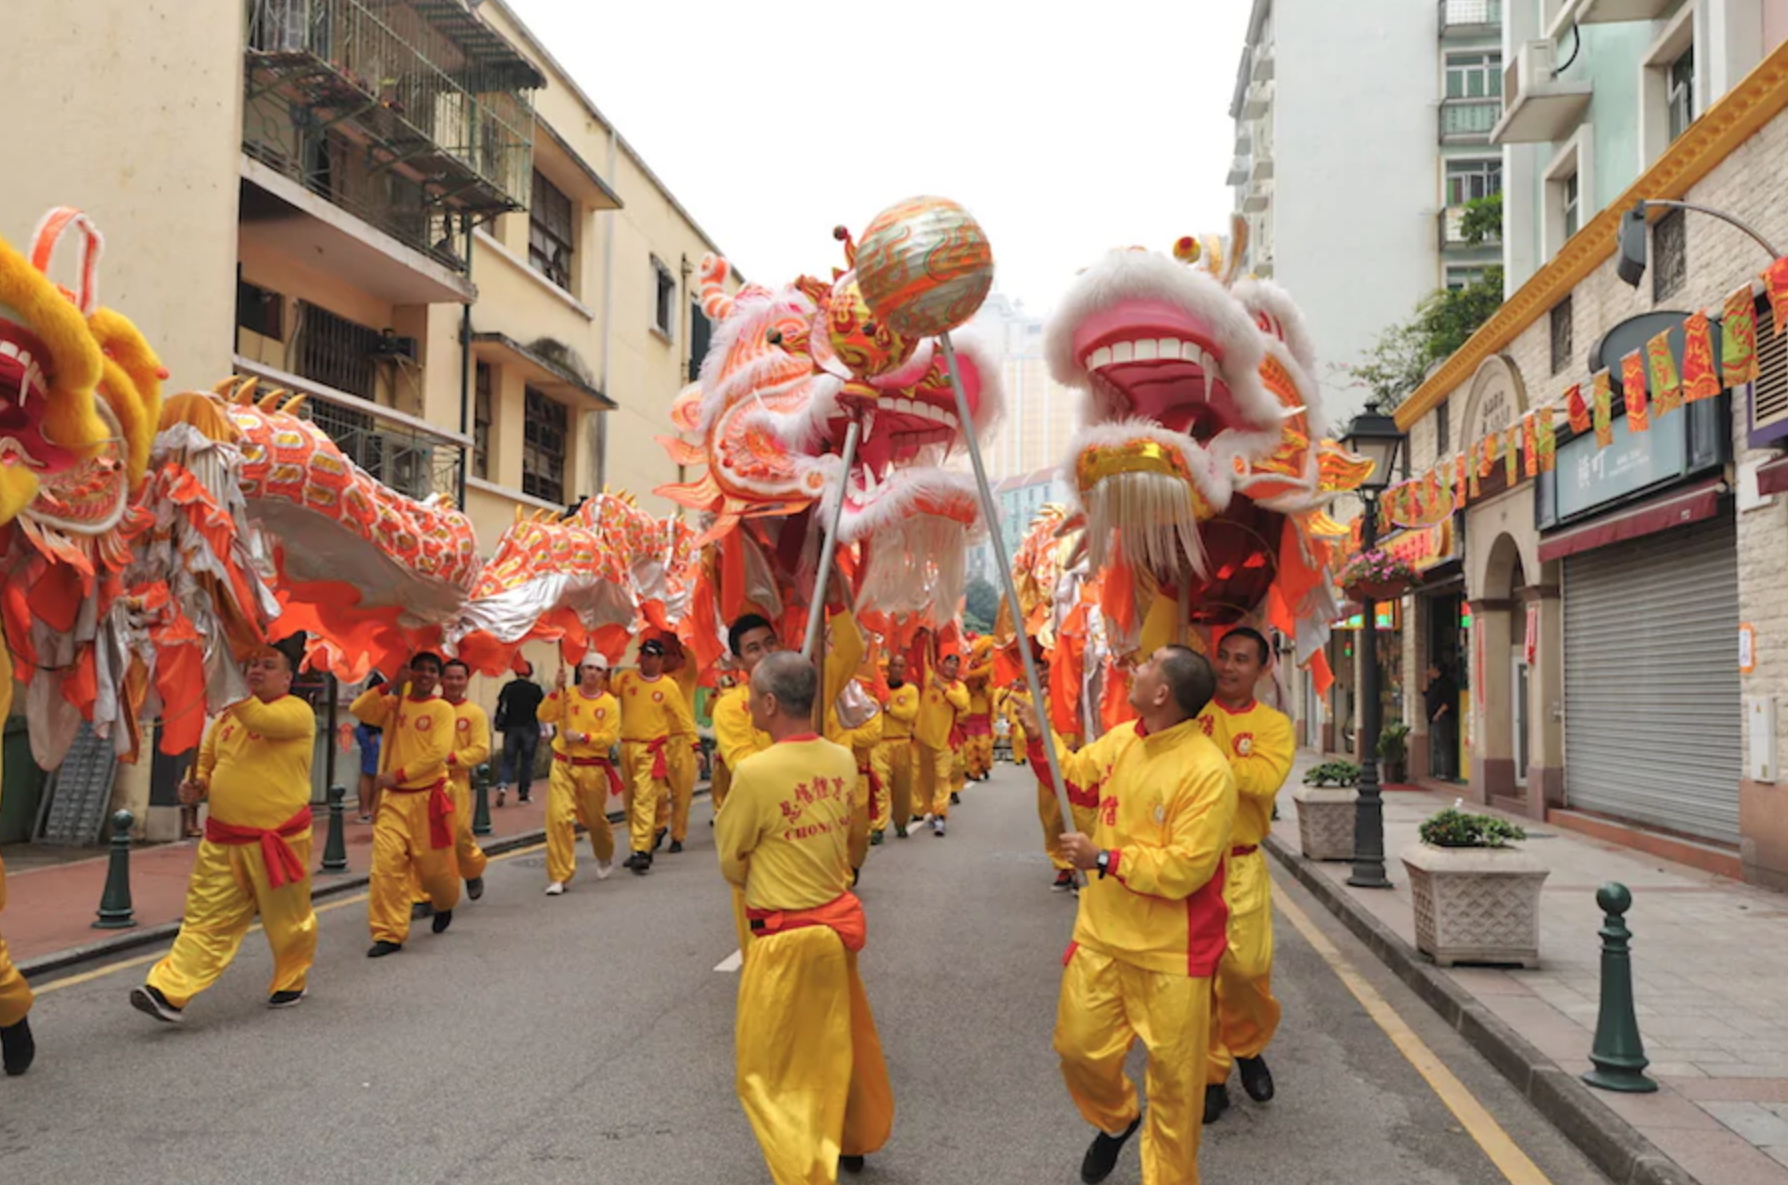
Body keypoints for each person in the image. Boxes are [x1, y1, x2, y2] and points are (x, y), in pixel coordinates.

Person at [1013, 646, 1236, 1185]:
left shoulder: (1208, 771)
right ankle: (1117, 1118)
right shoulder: (1121, 741)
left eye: (1146, 665)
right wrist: (1040, 735)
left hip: (1173, 953)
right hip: (1103, 935)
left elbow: (1186, 869)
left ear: (1162, 693)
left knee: (1176, 1094)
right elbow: (1073, 784)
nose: (1132, 670)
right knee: (1078, 1050)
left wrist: (1105, 858)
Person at [718, 652, 894, 1182]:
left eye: (751, 694)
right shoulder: (841, 760)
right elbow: (849, 835)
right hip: (834, 933)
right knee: (837, 1043)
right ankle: (849, 1135)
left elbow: (731, 859)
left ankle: (805, 1171)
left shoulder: (752, 773)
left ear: (770, 704)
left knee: (768, 1073)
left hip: (784, 941)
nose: (745, 702)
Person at [129, 644, 319, 1023]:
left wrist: (223, 679)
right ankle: (168, 990)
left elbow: (262, 721)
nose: (257, 670)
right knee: (205, 919)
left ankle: (291, 978)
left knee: (287, 921)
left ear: (287, 678)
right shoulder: (229, 717)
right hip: (223, 842)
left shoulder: (296, 712)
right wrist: (194, 785)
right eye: (252, 664)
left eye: (269, 665)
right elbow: (206, 762)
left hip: (277, 843)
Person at [1197, 627, 1295, 1125]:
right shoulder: (1191, 712)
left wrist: (1206, 755)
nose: (1229, 667)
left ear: (1262, 670)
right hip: (1192, 867)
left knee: (1245, 968)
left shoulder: (1274, 726)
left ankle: (1248, 1046)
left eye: (1242, 660)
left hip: (1241, 863)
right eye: (1223, 656)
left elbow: (1261, 782)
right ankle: (1212, 1077)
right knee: (1203, 977)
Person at [351, 653, 459, 957]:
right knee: (386, 866)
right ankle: (388, 933)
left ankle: (444, 901)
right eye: (419, 669)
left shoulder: (442, 710)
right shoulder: (393, 705)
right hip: (393, 802)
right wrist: (390, 685)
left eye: (431, 670)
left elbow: (437, 752)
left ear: (438, 677)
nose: (424, 674)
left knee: (434, 871)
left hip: (429, 800)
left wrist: (398, 775)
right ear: (410, 672)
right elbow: (360, 709)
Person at [537, 654, 621, 895]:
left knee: (595, 820)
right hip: (563, 764)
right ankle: (559, 876)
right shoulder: (567, 695)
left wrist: (583, 737)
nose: (592, 673)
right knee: (558, 818)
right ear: (581, 671)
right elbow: (543, 715)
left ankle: (604, 855)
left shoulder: (608, 703)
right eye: (588, 668)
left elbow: (609, 737)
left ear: (603, 674)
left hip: (592, 767)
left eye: (597, 669)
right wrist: (556, 689)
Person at [613, 638, 697, 872]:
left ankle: (651, 846)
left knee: (654, 796)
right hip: (628, 747)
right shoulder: (627, 678)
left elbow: (683, 715)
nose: (645, 660)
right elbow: (605, 690)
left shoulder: (673, 683)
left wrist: (695, 744)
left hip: (656, 748)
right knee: (633, 800)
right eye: (643, 655)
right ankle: (645, 839)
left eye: (651, 655)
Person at [441, 659, 491, 901]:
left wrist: (451, 759)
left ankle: (472, 870)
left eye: (459, 678)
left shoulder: (474, 713)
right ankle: (427, 896)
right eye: (449, 677)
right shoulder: (431, 708)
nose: (454, 683)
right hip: (426, 783)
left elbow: (480, 749)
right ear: (441, 680)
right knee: (428, 843)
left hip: (456, 782)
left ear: (466, 681)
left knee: (459, 834)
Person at [914, 646, 969, 837]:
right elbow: (923, 657)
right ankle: (929, 810)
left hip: (944, 742)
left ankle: (940, 816)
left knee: (942, 780)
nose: (952, 667)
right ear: (942, 664)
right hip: (923, 739)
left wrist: (943, 689)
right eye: (949, 663)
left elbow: (963, 704)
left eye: (956, 664)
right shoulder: (930, 678)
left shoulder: (958, 687)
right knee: (926, 781)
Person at [875, 653, 920, 839]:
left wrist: (888, 708)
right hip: (880, 744)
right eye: (894, 665)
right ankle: (877, 828)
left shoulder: (910, 691)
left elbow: (909, 713)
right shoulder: (878, 689)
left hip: (902, 743)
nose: (897, 669)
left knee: (902, 789)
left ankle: (901, 822)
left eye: (901, 666)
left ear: (905, 669)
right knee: (880, 786)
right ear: (888, 667)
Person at [494, 661, 546, 806]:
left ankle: (503, 784)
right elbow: (543, 709)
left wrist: (499, 723)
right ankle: (523, 795)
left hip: (511, 728)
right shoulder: (535, 689)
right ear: (531, 673)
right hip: (530, 728)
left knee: (508, 760)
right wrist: (544, 729)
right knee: (527, 762)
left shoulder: (508, 687)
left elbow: (501, 706)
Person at [354, 672, 385, 822]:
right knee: (369, 772)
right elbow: (371, 705)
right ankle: (365, 810)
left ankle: (370, 808)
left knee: (372, 771)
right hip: (371, 731)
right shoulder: (378, 681)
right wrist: (373, 730)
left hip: (372, 730)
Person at [1425, 659, 1460, 782]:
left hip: (1444, 718)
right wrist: (1425, 678)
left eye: (1430, 669)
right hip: (1434, 719)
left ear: (1437, 670)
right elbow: (1424, 692)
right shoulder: (1434, 684)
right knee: (1437, 745)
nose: (1428, 671)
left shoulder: (1446, 683)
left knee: (1445, 745)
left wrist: (1438, 714)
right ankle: (1439, 770)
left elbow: (1447, 702)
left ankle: (1447, 772)